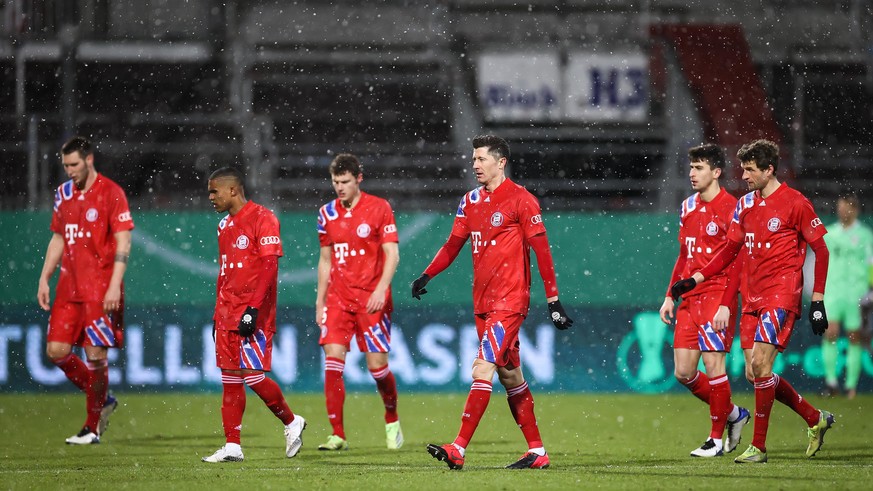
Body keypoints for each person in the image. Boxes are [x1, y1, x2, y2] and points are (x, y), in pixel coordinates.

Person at [412, 134, 573, 470]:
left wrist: (553, 302)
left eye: (482, 159)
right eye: (473, 159)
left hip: (510, 302)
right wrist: (427, 275)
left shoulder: (522, 200)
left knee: (481, 368)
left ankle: (458, 448)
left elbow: (542, 253)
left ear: (501, 162)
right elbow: (452, 245)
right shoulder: (469, 201)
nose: (475, 165)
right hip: (483, 303)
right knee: (510, 377)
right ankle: (538, 452)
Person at [671, 139, 834, 464]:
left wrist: (817, 300)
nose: (743, 175)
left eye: (749, 170)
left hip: (781, 293)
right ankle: (814, 416)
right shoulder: (745, 205)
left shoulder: (795, 203)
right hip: (752, 297)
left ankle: (758, 446)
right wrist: (696, 278)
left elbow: (822, 250)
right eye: (743, 169)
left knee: (760, 366)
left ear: (769, 169)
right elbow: (729, 251)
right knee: (754, 373)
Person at [202, 167, 306, 463]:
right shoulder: (223, 225)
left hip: (253, 312)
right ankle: (233, 445)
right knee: (230, 378)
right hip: (226, 311)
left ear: (232, 190)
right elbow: (223, 271)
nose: (210, 197)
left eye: (214, 191)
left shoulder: (264, 218)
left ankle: (291, 422)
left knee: (254, 376)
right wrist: (216, 313)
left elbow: (269, 267)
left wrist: (253, 309)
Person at [37, 136, 132, 445]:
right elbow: (58, 238)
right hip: (68, 288)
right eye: (65, 165)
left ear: (89, 160)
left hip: (100, 288)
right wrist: (44, 277)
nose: (69, 171)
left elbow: (123, 241)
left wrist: (115, 283)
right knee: (56, 352)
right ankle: (102, 399)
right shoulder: (63, 194)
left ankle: (92, 427)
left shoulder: (111, 193)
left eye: (74, 164)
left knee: (95, 354)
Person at [658, 144, 750, 458]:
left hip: (716, 295)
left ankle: (715, 440)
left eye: (699, 168)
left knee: (714, 366)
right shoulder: (686, 208)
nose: (692, 173)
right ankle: (734, 414)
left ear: (716, 172)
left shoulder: (733, 208)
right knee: (683, 373)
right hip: (689, 298)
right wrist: (671, 295)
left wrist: (727, 302)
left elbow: (737, 261)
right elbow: (683, 256)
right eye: (691, 167)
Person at [314, 154, 403, 451]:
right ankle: (337, 433)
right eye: (335, 182)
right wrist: (320, 301)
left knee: (377, 368)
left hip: (371, 300)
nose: (339, 187)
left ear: (358, 179)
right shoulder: (326, 214)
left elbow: (392, 254)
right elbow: (325, 261)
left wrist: (381, 289)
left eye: (345, 182)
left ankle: (391, 418)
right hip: (338, 300)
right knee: (333, 363)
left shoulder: (379, 208)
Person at [821, 195, 873, 399]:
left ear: (855, 210)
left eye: (846, 208)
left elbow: (871, 264)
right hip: (833, 292)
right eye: (839, 208)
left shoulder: (865, 235)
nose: (842, 212)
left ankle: (851, 387)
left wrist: (870, 290)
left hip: (857, 294)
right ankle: (831, 382)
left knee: (854, 337)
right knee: (830, 333)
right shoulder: (829, 234)